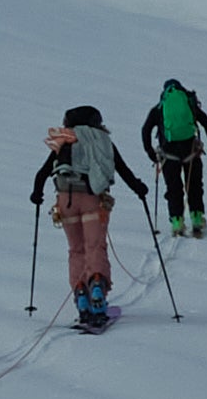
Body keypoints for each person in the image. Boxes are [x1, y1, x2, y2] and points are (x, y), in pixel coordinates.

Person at [32, 108, 141, 330]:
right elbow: (123, 169)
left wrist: (37, 194)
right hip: (93, 199)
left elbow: (43, 173)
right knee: (95, 246)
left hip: (66, 201)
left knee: (76, 249)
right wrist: (140, 189)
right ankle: (97, 291)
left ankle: (81, 294)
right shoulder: (102, 141)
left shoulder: (65, 140)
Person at [145, 78, 207, 237]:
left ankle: (177, 221)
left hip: (169, 154)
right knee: (194, 184)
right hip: (191, 152)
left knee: (173, 187)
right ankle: (197, 217)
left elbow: (145, 130)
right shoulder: (190, 104)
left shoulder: (160, 108)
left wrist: (150, 152)